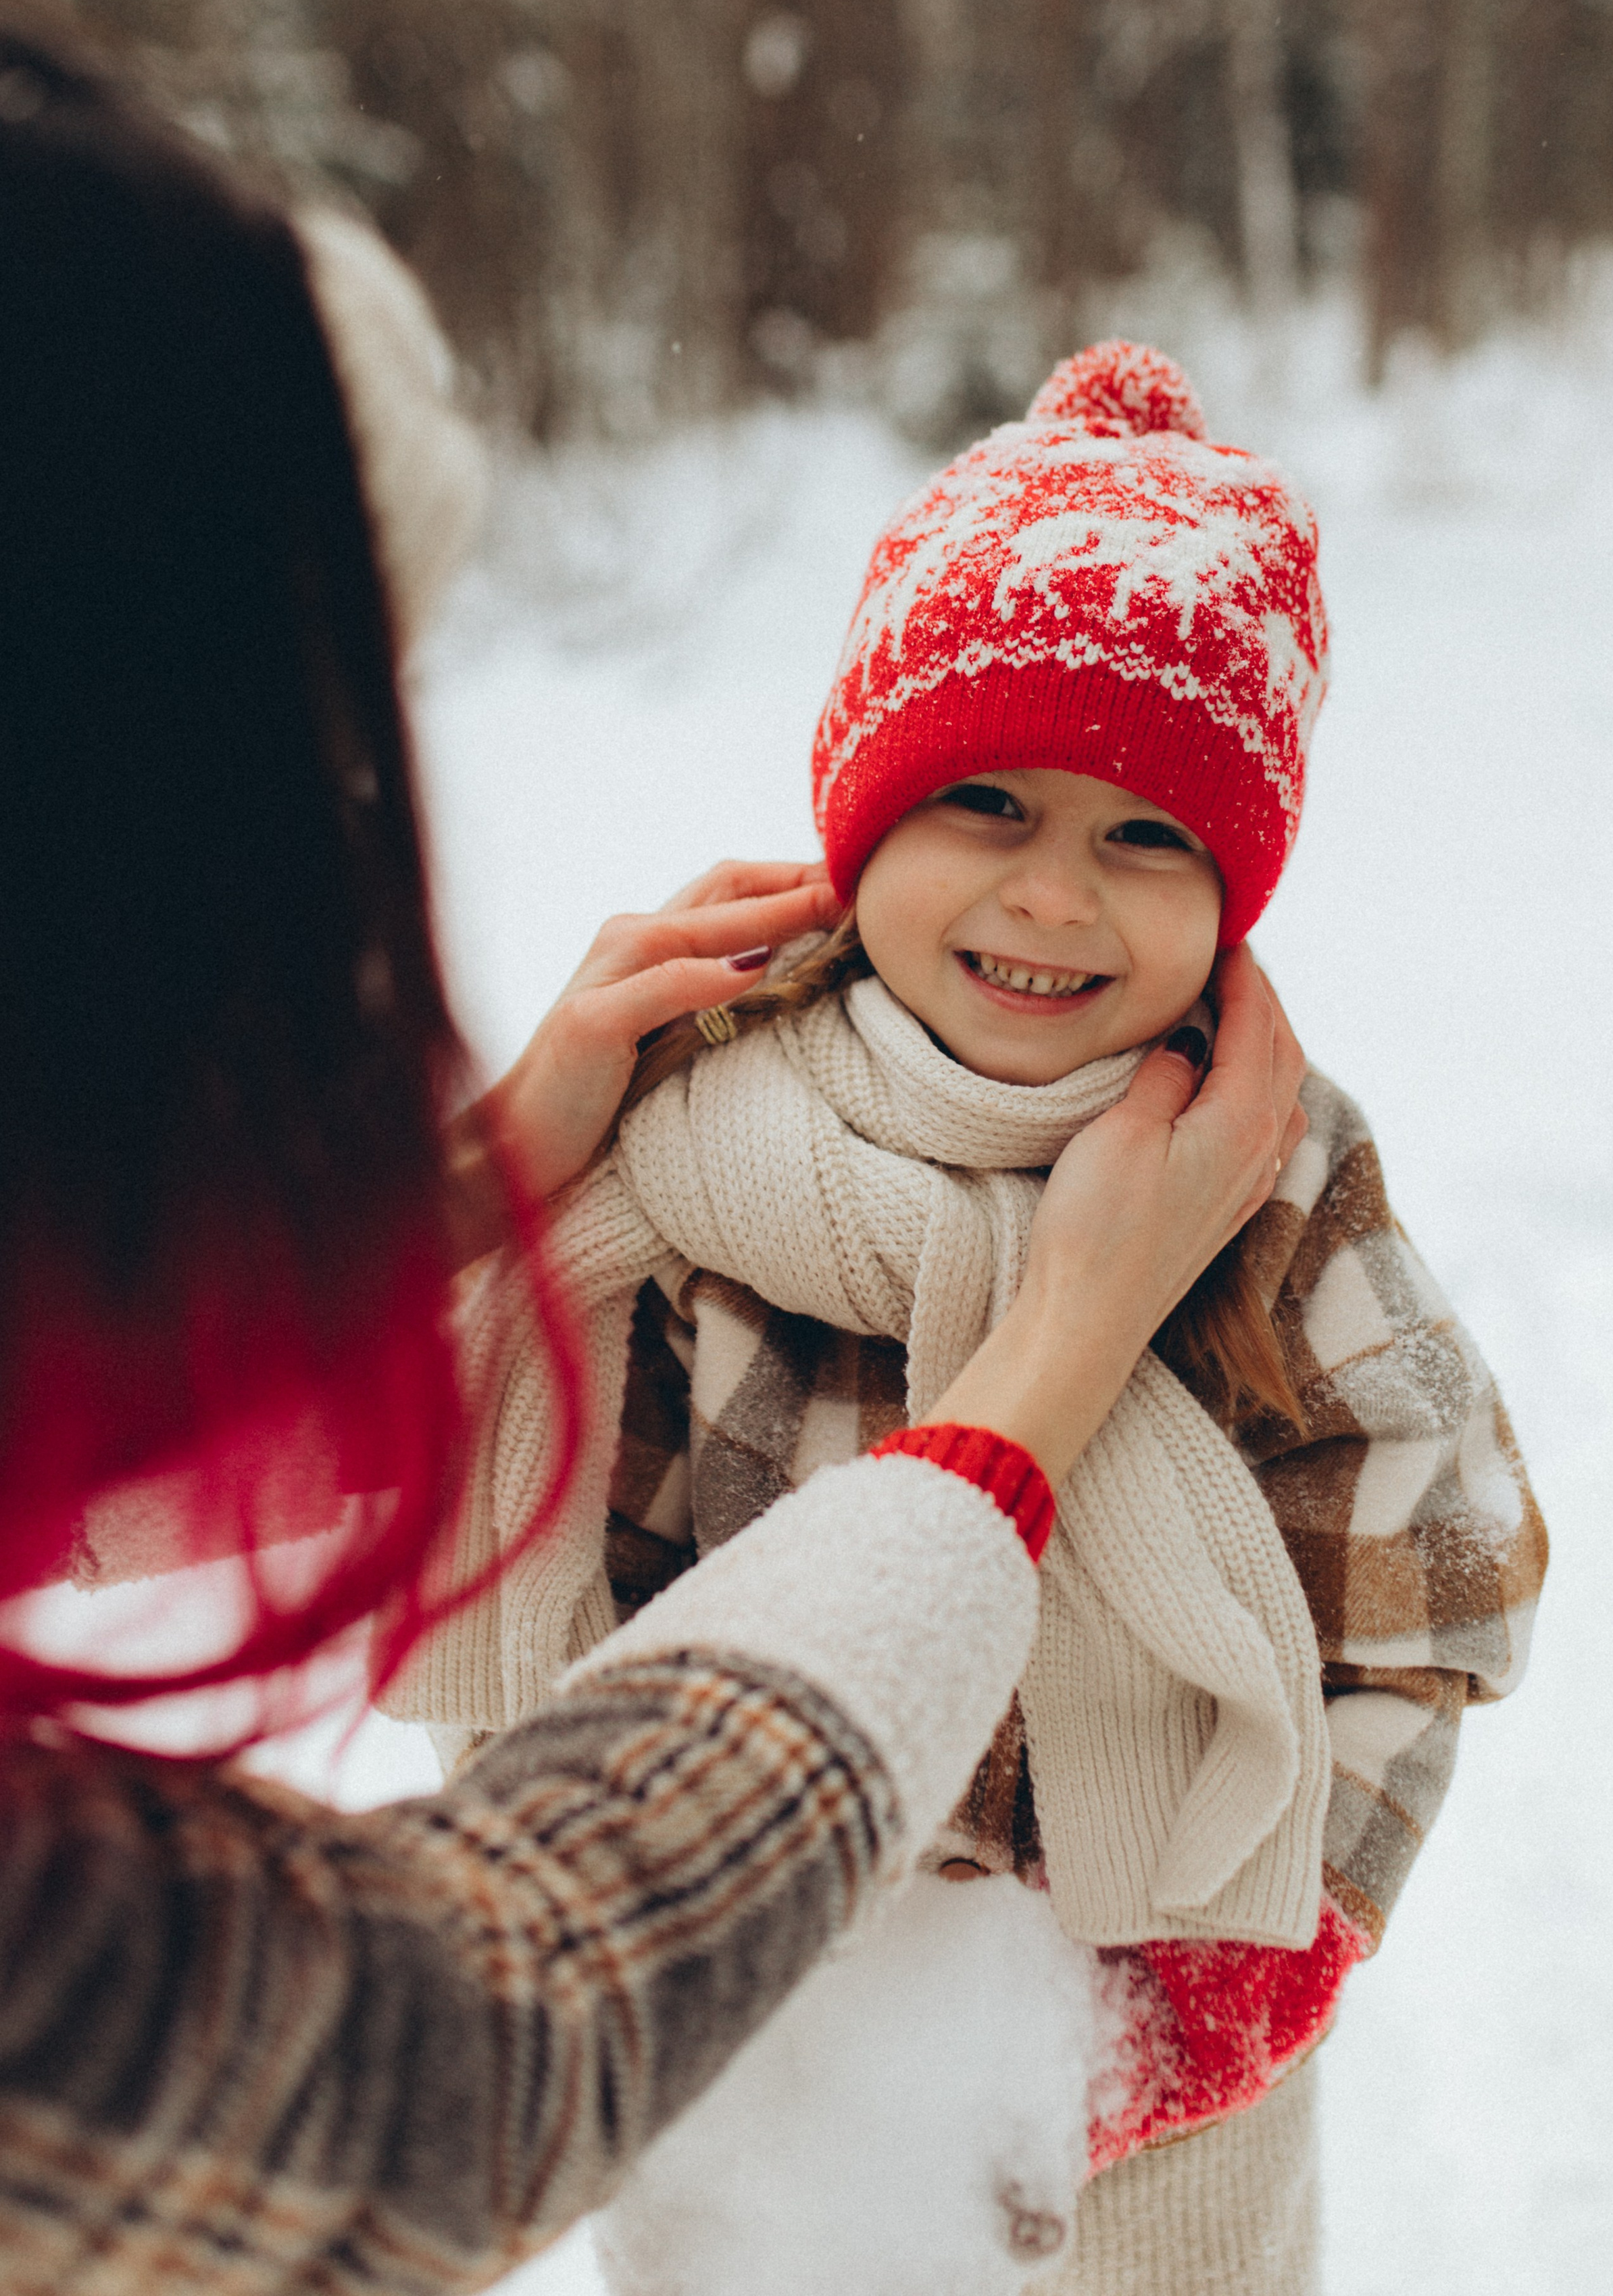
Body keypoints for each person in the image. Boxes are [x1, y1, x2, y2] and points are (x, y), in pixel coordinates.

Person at [0, 17, 1310, 2296]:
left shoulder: (1280, 1208)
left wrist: (460, 1200)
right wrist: (1044, 1371)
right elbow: (440, 2046)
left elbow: (1417, 1566)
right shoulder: (723, 1158)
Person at [403, 341, 1550, 2296]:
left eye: (1149, 835)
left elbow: (1433, 1569)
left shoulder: (1262, 1177)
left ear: (1235, 888)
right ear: (863, 817)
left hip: (1130, 1996)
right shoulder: (704, 1116)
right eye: (989, 804)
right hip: (755, 1979)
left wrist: (1264, 1955)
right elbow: (461, 1466)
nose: (1055, 901)